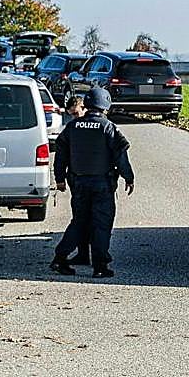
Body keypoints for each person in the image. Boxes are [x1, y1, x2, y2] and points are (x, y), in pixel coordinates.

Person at [50, 87, 135, 278]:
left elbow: (60, 154)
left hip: (78, 184)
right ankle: (100, 266)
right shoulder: (108, 127)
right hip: (102, 185)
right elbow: (121, 156)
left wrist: (59, 178)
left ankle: (60, 258)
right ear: (105, 105)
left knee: (79, 222)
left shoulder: (72, 127)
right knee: (101, 224)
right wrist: (128, 177)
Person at [59, 95, 92, 265]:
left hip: (92, 180)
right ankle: (83, 254)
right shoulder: (71, 128)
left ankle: (95, 255)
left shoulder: (97, 125)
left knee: (92, 219)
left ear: (84, 108)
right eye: (71, 114)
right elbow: (61, 154)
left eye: (76, 113)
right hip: (77, 180)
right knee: (80, 218)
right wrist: (60, 178)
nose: (74, 117)